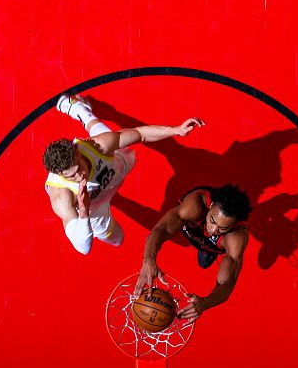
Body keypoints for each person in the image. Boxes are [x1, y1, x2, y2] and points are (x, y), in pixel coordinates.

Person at [43, 94, 204, 255]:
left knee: (108, 136)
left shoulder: (99, 145)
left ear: (78, 152)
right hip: (94, 208)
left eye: (79, 168)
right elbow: (83, 248)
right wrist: (83, 210)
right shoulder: (62, 196)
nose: (80, 177)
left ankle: (79, 109)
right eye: (71, 176)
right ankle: (79, 110)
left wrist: (176, 130)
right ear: (60, 175)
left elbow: (140, 134)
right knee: (118, 239)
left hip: (116, 168)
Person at [134, 184, 252, 324]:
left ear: (232, 226)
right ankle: (205, 245)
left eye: (222, 228)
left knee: (205, 260)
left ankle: (206, 249)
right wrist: (148, 260)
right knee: (177, 226)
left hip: (212, 244)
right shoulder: (195, 205)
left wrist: (205, 303)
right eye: (212, 221)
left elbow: (227, 283)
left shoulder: (236, 237)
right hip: (190, 226)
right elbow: (162, 229)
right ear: (211, 205)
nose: (214, 229)